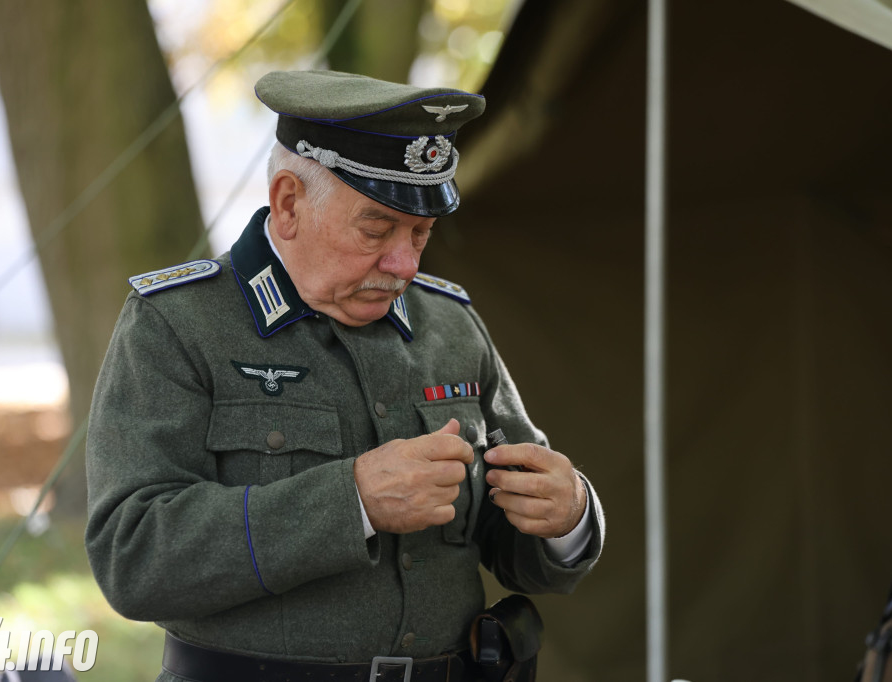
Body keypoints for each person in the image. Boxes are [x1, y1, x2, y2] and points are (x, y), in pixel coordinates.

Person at [84, 70, 605, 682]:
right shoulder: (176, 324)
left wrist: (569, 517)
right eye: (377, 229)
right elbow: (133, 556)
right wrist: (351, 501)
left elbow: (516, 538)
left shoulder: (453, 326)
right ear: (288, 203)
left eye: (421, 233)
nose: (404, 264)